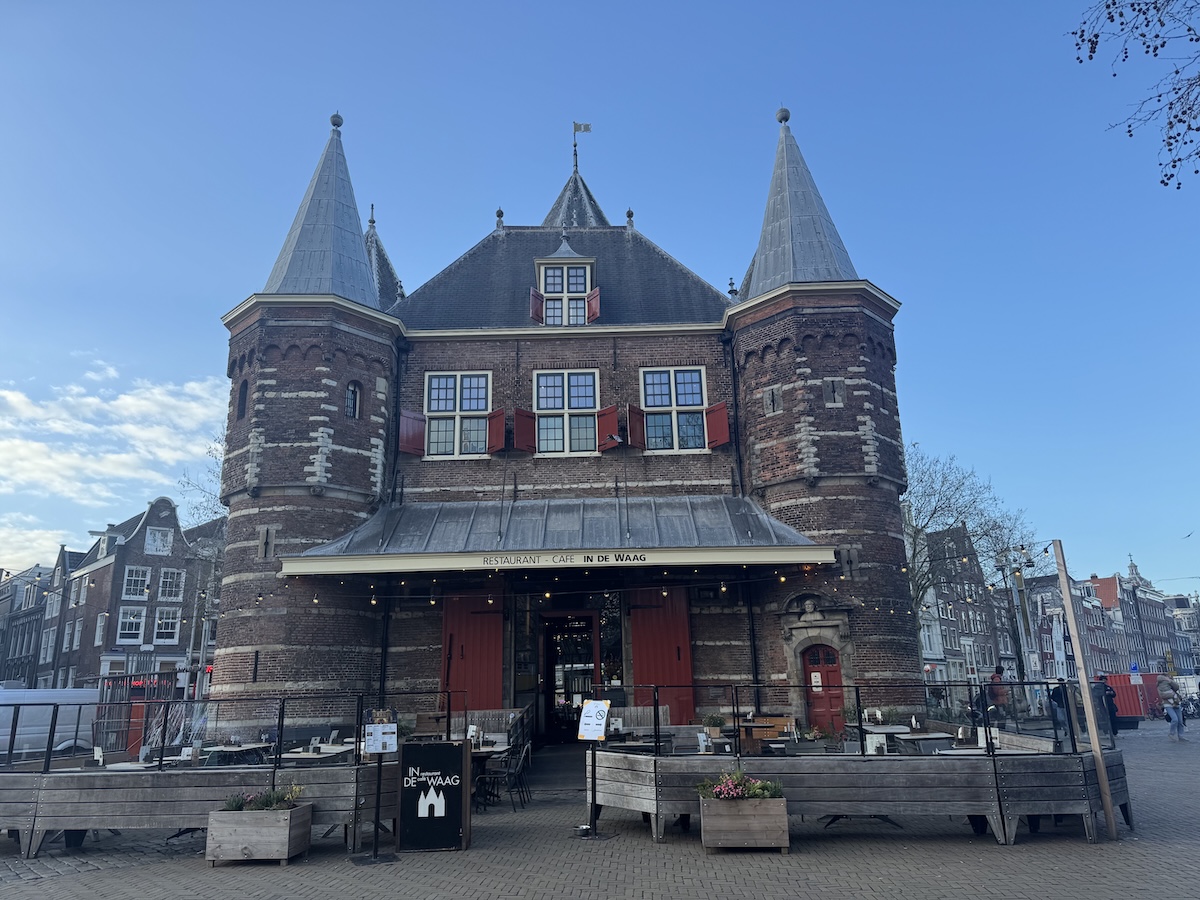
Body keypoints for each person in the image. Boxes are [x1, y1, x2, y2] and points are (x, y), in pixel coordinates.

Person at [1157, 673, 1188, 742]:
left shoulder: (1170, 681)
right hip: (1168, 704)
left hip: (1176, 703)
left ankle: (1181, 736)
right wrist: (1171, 694)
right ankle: (1171, 733)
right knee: (1175, 719)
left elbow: (1176, 687)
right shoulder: (1159, 685)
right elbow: (1162, 695)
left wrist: (1171, 681)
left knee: (1180, 721)